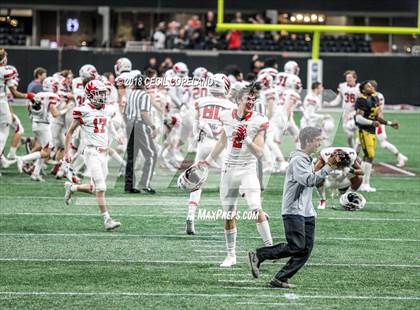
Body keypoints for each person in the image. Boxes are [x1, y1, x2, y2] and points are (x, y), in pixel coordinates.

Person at [247, 127, 340, 289]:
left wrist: (323, 164)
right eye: (318, 139)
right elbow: (309, 180)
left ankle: (280, 278)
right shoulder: (298, 160)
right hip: (293, 210)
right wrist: (328, 167)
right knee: (296, 245)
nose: (320, 142)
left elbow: (312, 174)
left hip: (306, 210)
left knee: (305, 249)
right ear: (309, 141)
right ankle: (259, 255)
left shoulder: (306, 159)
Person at [203, 82, 273, 268]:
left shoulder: (259, 120)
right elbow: (221, 141)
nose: (251, 101)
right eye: (247, 98)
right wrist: (208, 161)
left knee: (255, 208)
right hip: (228, 170)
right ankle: (230, 255)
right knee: (228, 214)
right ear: (238, 99)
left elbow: (259, 153)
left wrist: (246, 138)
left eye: (253, 98)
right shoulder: (226, 116)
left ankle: (271, 249)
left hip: (247, 169)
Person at [63, 80, 122, 230]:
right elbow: (69, 132)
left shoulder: (108, 109)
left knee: (94, 188)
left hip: (104, 153)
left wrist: (116, 136)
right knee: (101, 187)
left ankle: (72, 188)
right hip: (91, 152)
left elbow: (108, 123)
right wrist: (66, 151)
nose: (102, 96)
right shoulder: (82, 110)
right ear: (90, 94)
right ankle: (107, 220)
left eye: (103, 93)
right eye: (98, 93)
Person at [354, 81, 399, 192]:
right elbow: (358, 118)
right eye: (368, 86)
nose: (371, 87)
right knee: (369, 156)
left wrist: (389, 124)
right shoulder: (361, 100)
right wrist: (371, 123)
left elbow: (377, 117)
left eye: (371, 85)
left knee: (367, 156)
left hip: (372, 131)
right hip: (364, 130)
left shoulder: (375, 98)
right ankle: (365, 183)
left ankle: (362, 183)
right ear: (363, 90)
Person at [124, 74, 157, 194]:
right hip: (139, 125)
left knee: (132, 155)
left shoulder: (130, 94)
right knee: (152, 154)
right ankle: (144, 184)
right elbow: (144, 113)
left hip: (130, 124)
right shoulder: (144, 95)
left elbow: (125, 113)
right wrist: (152, 126)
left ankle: (129, 185)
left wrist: (129, 125)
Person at [370, 80, 407, 167]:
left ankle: (400, 157)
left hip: (377, 123)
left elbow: (378, 111)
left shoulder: (378, 96)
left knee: (383, 143)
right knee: (360, 142)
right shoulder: (369, 96)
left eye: (368, 87)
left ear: (373, 88)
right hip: (371, 122)